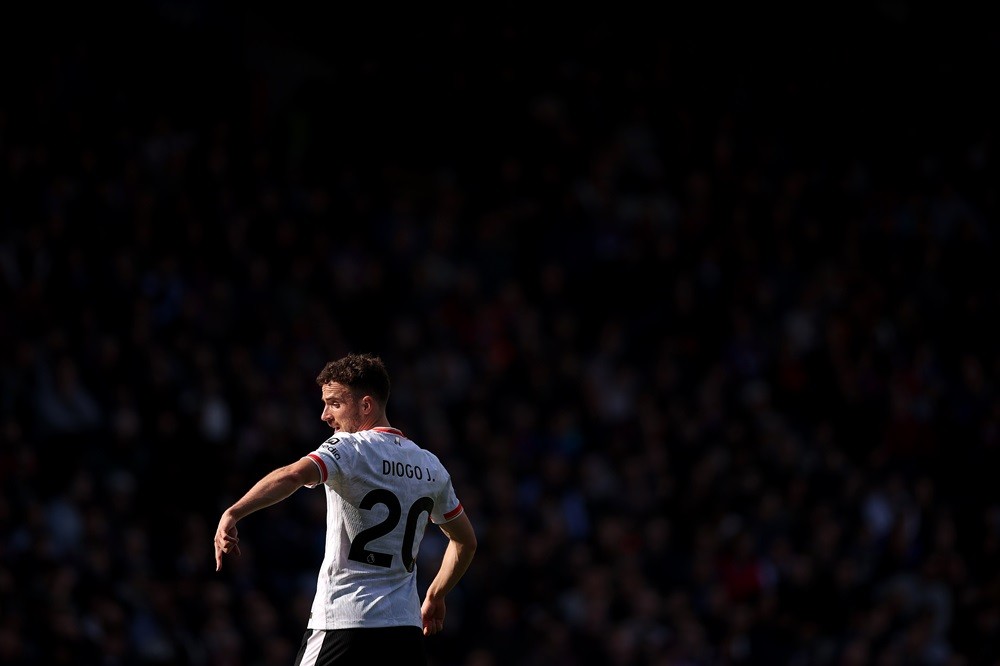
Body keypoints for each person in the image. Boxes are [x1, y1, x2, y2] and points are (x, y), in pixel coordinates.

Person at [214, 352, 477, 665]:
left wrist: (234, 512)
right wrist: (436, 595)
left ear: (365, 405)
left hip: (346, 620)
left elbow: (293, 475)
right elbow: (465, 541)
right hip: (404, 631)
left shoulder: (349, 448)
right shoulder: (430, 466)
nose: (325, 415)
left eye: (334, 403)